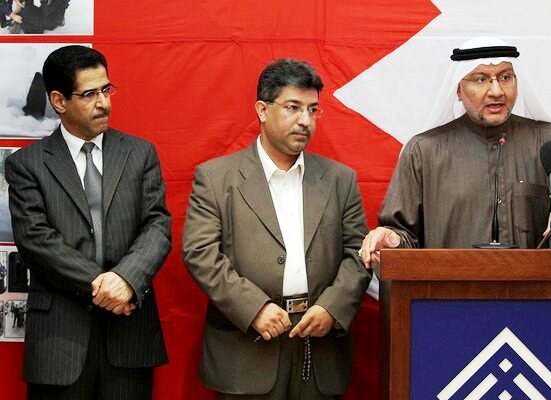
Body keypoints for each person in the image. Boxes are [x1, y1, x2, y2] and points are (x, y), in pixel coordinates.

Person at [183, 59, 371, 399]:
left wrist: (332, 307)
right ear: (262, 110)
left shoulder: (340, 180)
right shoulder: (216, 178)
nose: (305, 120)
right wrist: (253, 307)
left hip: (319, 348)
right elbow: (201, 254)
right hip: (247, 349)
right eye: (293, 107)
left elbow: (358, 254)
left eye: (312, 110)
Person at [5, 45, 172, 399]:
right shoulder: (27, 165)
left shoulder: (139, 153)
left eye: (106, 90)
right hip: (59, 339)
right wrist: (104, 286)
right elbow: (36, 240)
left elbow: (157, 226)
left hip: (129, 335)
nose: (104, 103)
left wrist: (126, 279)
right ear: (59, 101)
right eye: (90, 94)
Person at [361, 37, 551, 266]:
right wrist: (391, 239)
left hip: (534, 292)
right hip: (449, 292)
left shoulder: (549, 142)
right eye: (481, 79)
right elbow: (403, 237)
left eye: (505, 77)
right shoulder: (424, 151)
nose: (496, 91)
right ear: (458, 90)